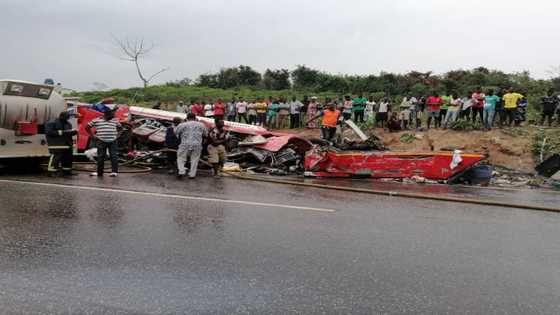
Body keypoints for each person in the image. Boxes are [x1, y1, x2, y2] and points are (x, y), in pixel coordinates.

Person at [86, 109, 122, 177]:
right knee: (101, 156)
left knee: (114, 156)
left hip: (113, 141)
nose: (113, 116)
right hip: (101, 140)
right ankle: (99, 172)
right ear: (106, 115)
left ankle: (114, 172)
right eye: (111, 115)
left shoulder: (114, 120)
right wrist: (92, 135)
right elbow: (87, 127)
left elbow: (120, 128)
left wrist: (117, 136)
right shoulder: (96, 120)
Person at [175, 113, 207, 179]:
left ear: (187, 118)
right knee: (194, 160)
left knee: (181, 158)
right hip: (197, 144)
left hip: (185, 144)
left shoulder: (182, 125)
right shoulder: (201, 125)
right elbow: (205, 134)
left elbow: (176, 132)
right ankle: (192, 174)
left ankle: (181, 171)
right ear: (195, 118)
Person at [45, 111, 77, 177]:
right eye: (66, 117)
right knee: (55, 158)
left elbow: (68, 133)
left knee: (67, 158)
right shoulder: (52, 122)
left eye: (68, 117)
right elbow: (49, 132)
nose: (67, 118)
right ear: (61, 116)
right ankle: (51, 172)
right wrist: (64, 132)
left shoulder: (68, 123)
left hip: (67, 144)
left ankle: (66, 171)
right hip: (56, 144)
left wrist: (73, 132)